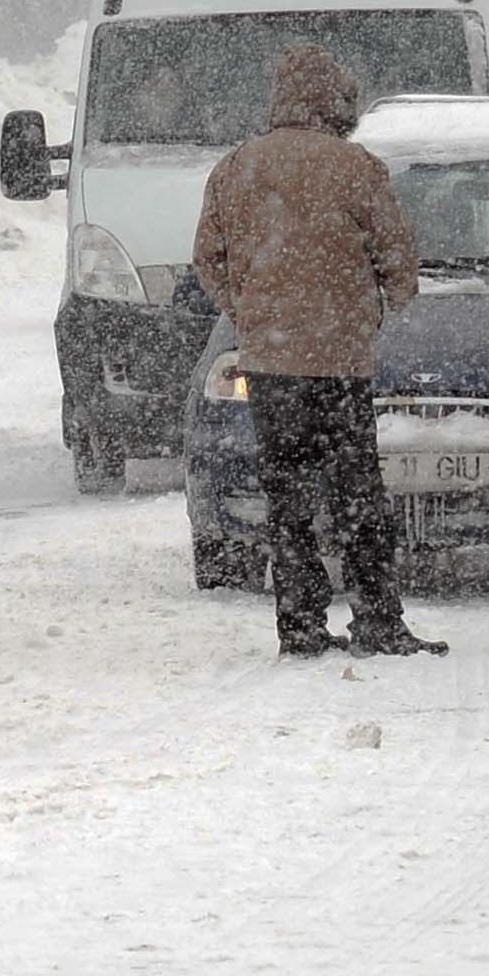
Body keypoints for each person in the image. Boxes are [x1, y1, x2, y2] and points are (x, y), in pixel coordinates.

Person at [191, 44, 440, 659]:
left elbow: (207, 260)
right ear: (336, 100)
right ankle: (378, 619)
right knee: (356, 490)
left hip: (270, 363)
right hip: (340, 359)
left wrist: (248, 308)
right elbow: (396, 253)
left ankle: (299, 623)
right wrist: (384, 299)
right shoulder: (354, 167)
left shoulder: (236, 167)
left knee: (288, 495)